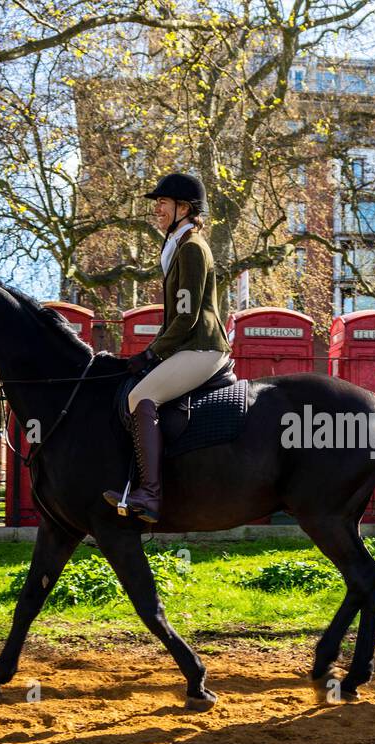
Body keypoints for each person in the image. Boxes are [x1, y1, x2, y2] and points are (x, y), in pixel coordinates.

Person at [103, 172, 231, 523]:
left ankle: (151, 496)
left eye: (162, 202)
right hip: (188, 345)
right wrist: (152, 350)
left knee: (139, 399)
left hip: (202, 347)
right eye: (157, 203)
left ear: (184, 208)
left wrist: (151, 354)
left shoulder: (190, 248)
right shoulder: (177, 245)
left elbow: (186, 319)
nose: (156, 208)